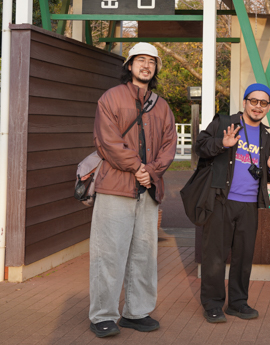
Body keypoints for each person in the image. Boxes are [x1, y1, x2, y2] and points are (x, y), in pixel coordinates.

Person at [89, 42, 177, 338]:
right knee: (108, 253)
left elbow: (169, 145)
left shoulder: (162, 106)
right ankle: (103, 315)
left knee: (144, 254)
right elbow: (107, 141)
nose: (146, 65)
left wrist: (150, 172)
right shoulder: (111, 98)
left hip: (148, 190)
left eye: (152, 61)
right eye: (141, 60)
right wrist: (137, 167)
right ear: (129, 65)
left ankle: (136, 312)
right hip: (115, 187)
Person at [195, 83, 270, 324]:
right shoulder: (224, 123)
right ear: (245, 102)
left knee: (243, 257)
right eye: (254, 101)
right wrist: (222, 143)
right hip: (222, 200)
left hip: (249, 206)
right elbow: (200, 147)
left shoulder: (266, 137)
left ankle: (238, 303)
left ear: (268, 107)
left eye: (263, 103)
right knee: (215, 256)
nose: (258, 106)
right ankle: (213, 304)